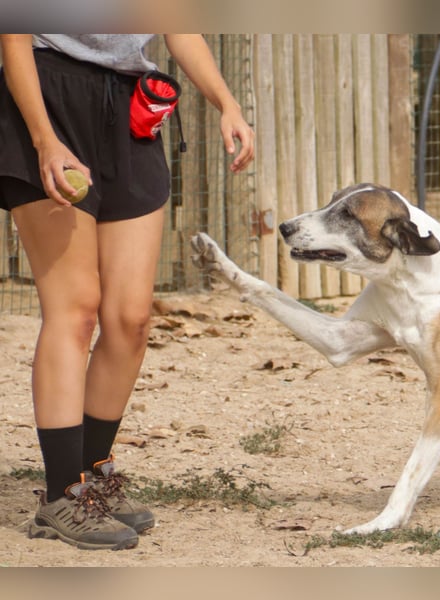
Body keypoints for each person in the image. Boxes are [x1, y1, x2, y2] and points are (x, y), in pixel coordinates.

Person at [0, 34, 255, 550]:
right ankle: (61, 495)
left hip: (131, 104)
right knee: (75, 309)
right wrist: (44, 139)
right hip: (49, 94)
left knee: (131, 317)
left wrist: (226, 103)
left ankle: (94, 477)